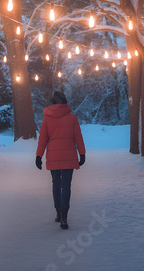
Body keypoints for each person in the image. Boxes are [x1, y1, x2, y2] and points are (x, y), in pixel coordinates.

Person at [35, 90, 86, 229]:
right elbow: (78, 138)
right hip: (69, 158)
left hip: (54, 157)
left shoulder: (47, 118)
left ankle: (58, 212)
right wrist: (82, 154)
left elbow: (42, 139)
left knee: (56, 185)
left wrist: (38, 156)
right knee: (66, 186)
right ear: (65, 102)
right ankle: (64, 215)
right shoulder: (72, 118)